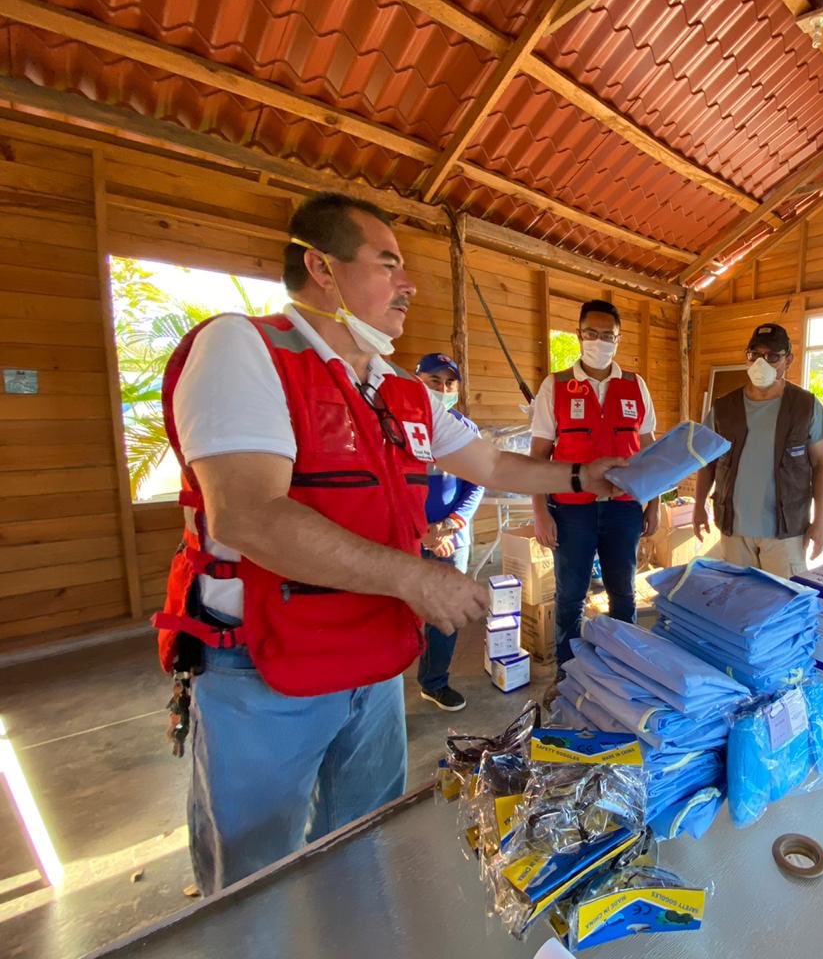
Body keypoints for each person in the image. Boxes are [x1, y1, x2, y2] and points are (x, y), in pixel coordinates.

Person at [155, 192, 625, 893]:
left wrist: (586, 473)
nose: (409, 284)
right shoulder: (246, 349)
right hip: (265, 668)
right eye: (388, 264)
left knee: (362, 846)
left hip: (374, 663)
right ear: (320, 266)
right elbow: (247, 514)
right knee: (256, 880)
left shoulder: (399, 389)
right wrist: (416, 577)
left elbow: (492, 465)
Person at [529, 300, 659, 669]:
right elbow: (537, 457)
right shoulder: (555, 386)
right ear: (578, 334)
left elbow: (651, 453)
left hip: (624, 509)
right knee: (571, 595)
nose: (599, 341)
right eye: (592, 333)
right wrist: (540, 512)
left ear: (618, 339)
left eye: (608, 335)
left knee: (624, 594)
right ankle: (569, 674)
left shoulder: (635, 386)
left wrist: (655, 504)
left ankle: (623, 670)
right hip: (571, 511)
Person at [693, 323, 823, 579]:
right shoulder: (724, 408)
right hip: (734, 531)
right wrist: (698, 505)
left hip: (786, 532)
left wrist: (821, 520)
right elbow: (708, 462)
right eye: (755, 355)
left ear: (788, 360)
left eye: (772, 356)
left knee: (785, 608)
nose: (762, 363)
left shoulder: (805, 407)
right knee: (738, 605)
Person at [413, 352, 482, 711]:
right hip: (407, 537)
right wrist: (418, 530)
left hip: (451, 537)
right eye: (433, 381)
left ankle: (434, 682)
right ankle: (382, 685)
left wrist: (450, 526)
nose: (442, 389)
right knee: (398, 612)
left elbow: (476, 484)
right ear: (417, 381)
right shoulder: (399, 426)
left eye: (449, 382)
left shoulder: (464, 430)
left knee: (445, 612)